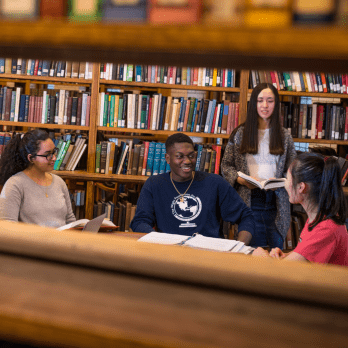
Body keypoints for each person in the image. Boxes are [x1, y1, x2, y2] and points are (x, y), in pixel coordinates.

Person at [130, 133, 255, 243]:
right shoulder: (154, 184)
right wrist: (161, 241)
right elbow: (140, 222)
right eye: (180, 156)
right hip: (170, 254)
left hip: (210, 255)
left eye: (191, 155)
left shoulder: (215, 182)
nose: (187, 161)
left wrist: (240, 247)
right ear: (167, 158)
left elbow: (246, 216)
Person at [221, 83, 297, 249]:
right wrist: (240, 180)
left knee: (275, 252)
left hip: (276, 203)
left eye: (270, 101)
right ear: (253, 103)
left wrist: (279, 181)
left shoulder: (284, 136)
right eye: (260, 100)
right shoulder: (240, 133)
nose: (265, 105)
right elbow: (226, 166)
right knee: (251, 253)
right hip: (249, 200)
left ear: (276, 104)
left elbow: (293, 169)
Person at [253, 153, 348, 266]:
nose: (285, 184)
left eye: (287, 179)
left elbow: (280, 272)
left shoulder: (325, 229)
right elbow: (306, 253)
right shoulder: (318, 217)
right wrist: (287, 256)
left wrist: (261, 256)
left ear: (301, 187)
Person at [0, 129, 76, 228]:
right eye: (47, 154)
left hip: (62, 242)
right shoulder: (14, 184)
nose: (54, 158)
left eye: (54, 152)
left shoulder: (59, 182)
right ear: (31, 158)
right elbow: (7, 227)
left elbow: (70, 219)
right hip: (33, 243)